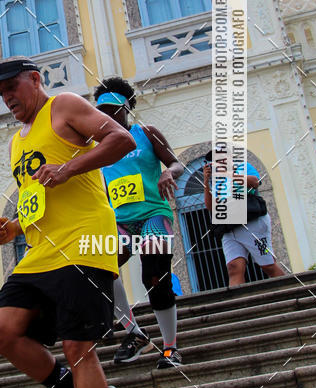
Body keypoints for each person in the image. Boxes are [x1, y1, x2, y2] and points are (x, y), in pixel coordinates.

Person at [0, 57, 137, 388]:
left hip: (86, 241)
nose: (7, 98)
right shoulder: (16, 142)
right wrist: (12, 227)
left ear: (35, 80)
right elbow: (37, 195)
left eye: (12, 87)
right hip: (40, 251)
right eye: (0, 93)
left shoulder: (64, 106)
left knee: (77, 346)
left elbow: (121, 139)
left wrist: (67, 168)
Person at [94, 78, 184, 369]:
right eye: (102, 111)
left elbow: (176, 162)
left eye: (113, 109)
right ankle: (134, 333)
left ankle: (170, 348)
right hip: (120, 221)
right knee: (100, 269)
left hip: (153, 215)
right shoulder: (98, 148)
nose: (107, 116)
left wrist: (168, 173)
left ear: (127, 108)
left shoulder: (146, 134)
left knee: (154, 275)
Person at [202, 152, 285, 287]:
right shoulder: (217, 182)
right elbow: (211, 206)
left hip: (252, 223)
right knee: (233, 267)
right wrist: (206, 181)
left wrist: (228, 173)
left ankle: (290, 292)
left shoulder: (243, 166)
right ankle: (239, 303)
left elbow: (254, 183)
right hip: (228, 227)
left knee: (267, 265)